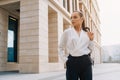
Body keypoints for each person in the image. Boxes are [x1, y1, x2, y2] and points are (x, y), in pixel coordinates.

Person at [58, 10, 94, 80]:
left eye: (75, 17)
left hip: (85, 62)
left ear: (81, 19)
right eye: (71, 18)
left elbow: (91, 49)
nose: (72, 19)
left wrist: (91, 39)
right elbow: (60, 47)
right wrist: (65, 60)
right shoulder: (67, 32)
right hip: (72, 62)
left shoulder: (86, 33)